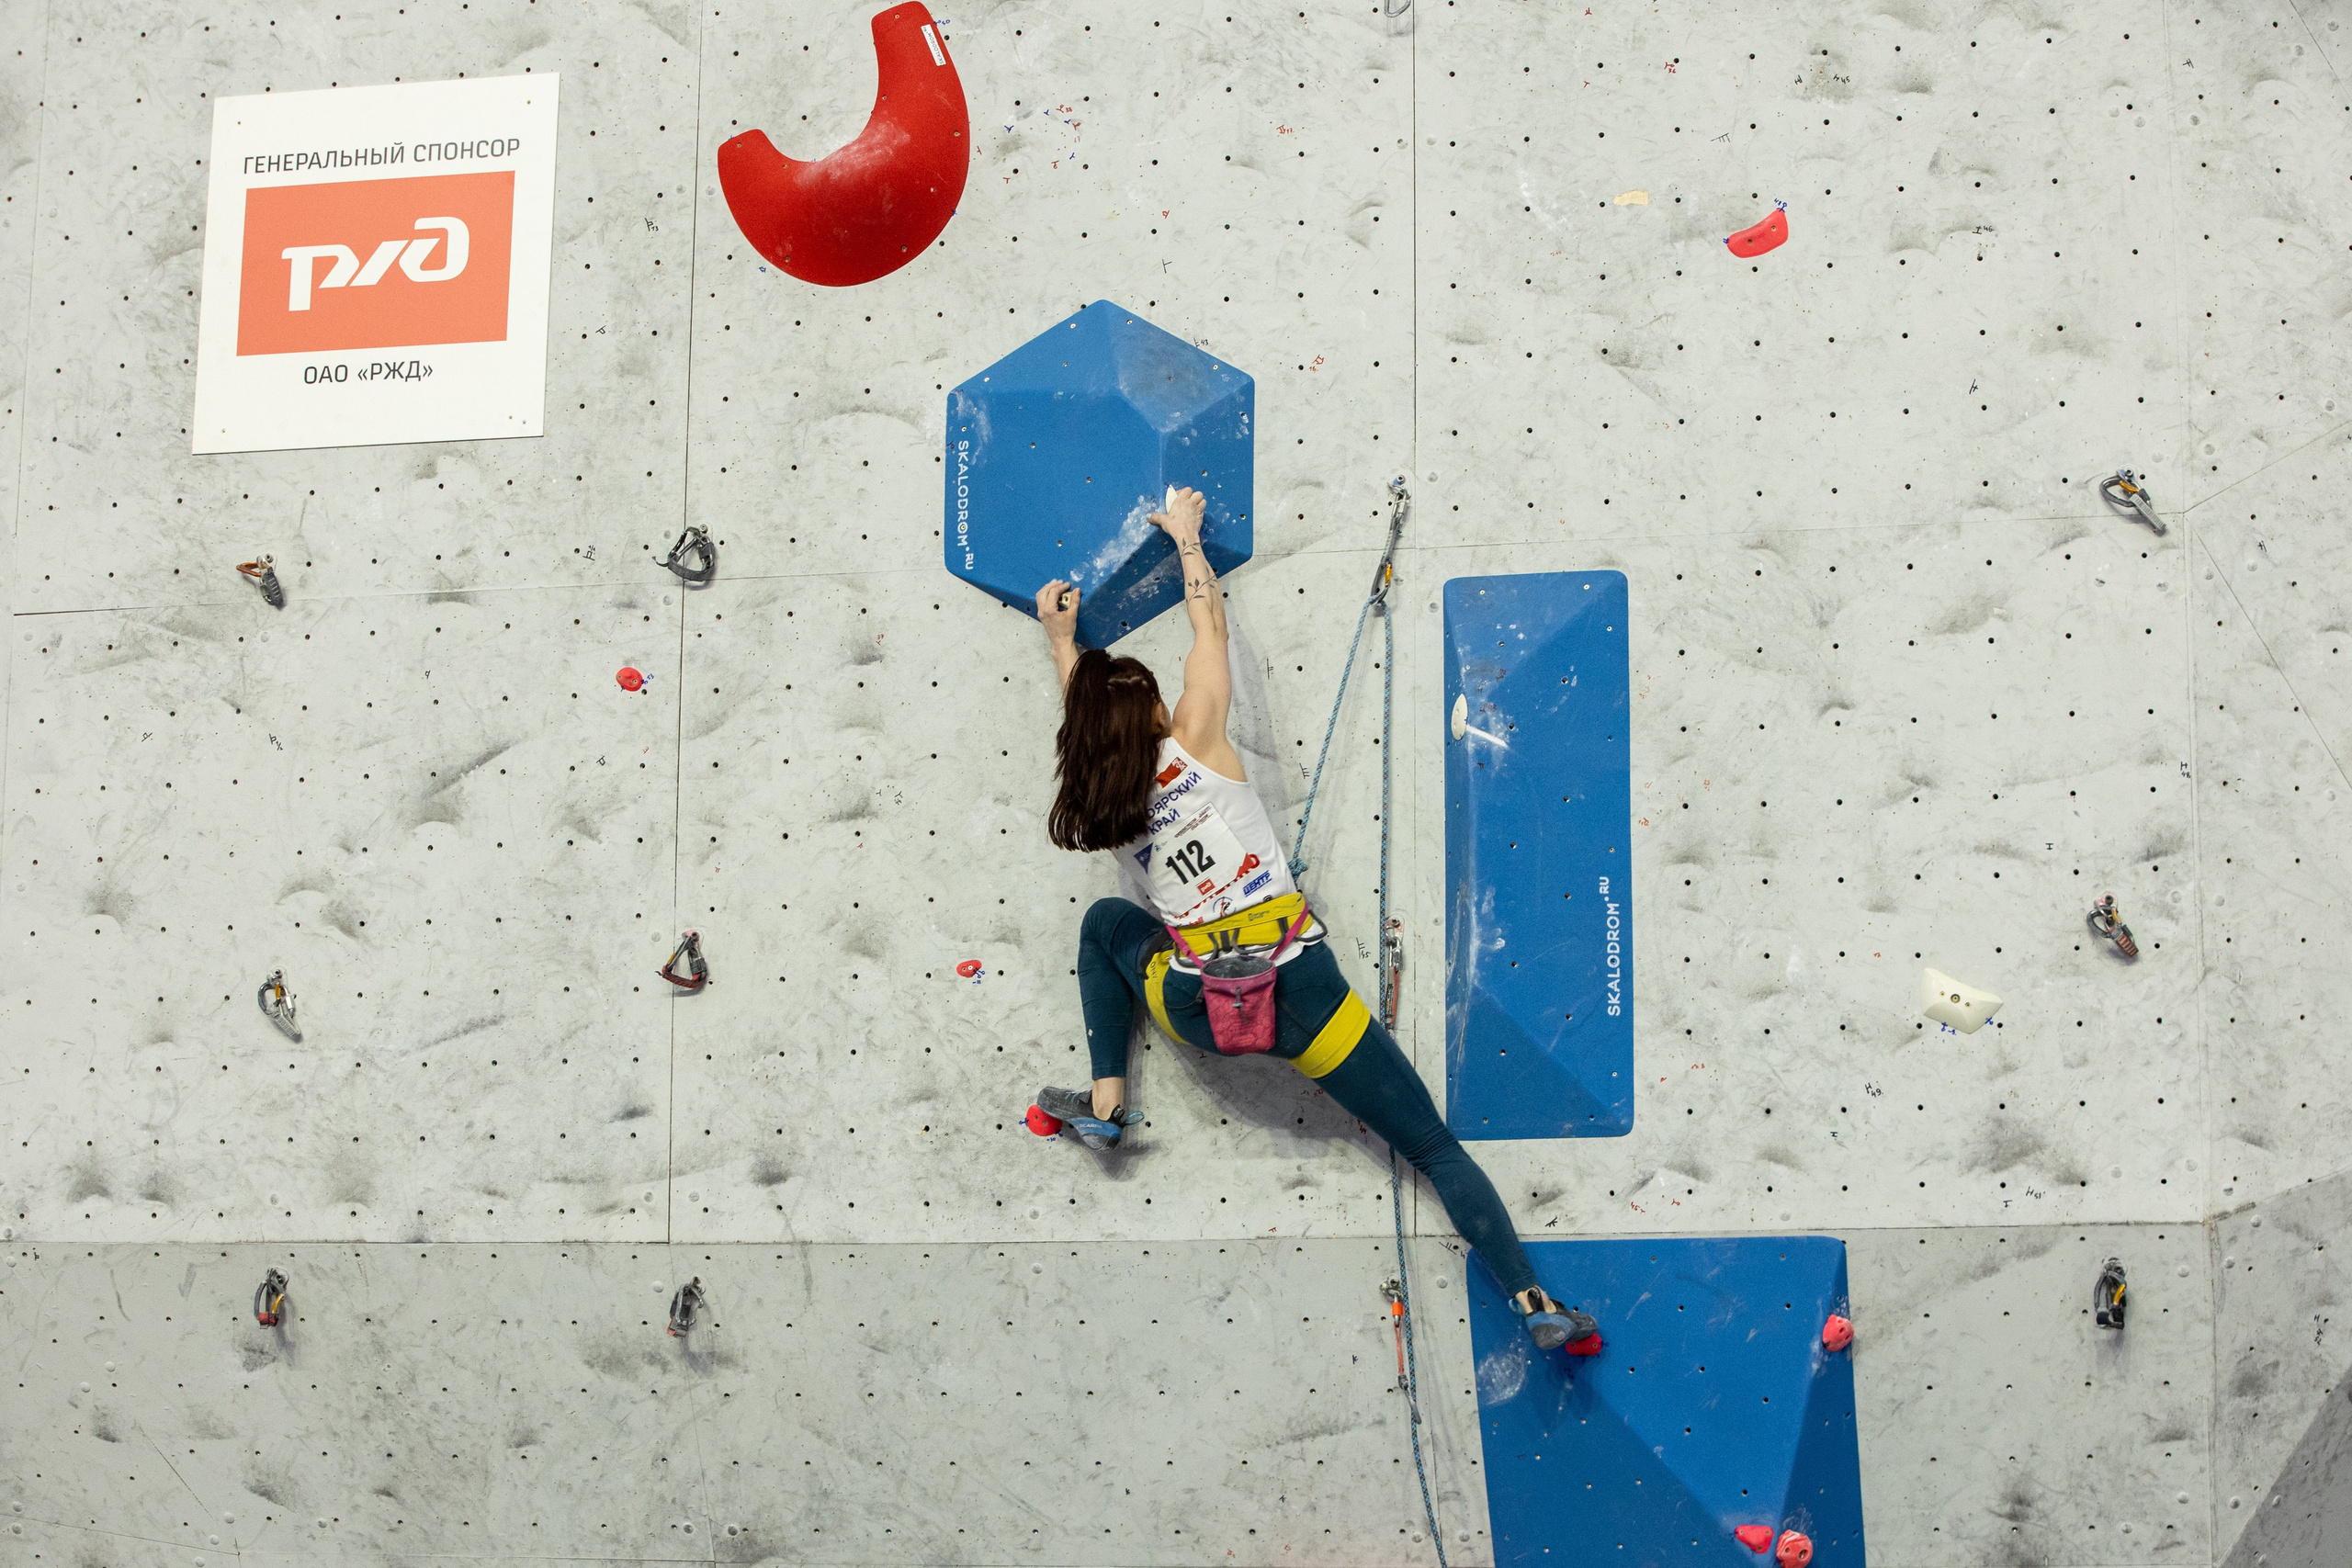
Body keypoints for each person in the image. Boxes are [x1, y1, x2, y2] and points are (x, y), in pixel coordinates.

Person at [1029, 487, 1593, 1350]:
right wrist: (1186, 539)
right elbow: (1207, 630)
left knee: (1108, 923)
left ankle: (1106, 1099)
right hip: (1299, 988)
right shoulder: (1199, 748)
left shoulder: (1110, 810)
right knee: (1433, 1147)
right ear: (1152, 715)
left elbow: (1091, 718)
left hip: (1198, 1007)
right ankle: (1531, 1301)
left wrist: (1063, 643)